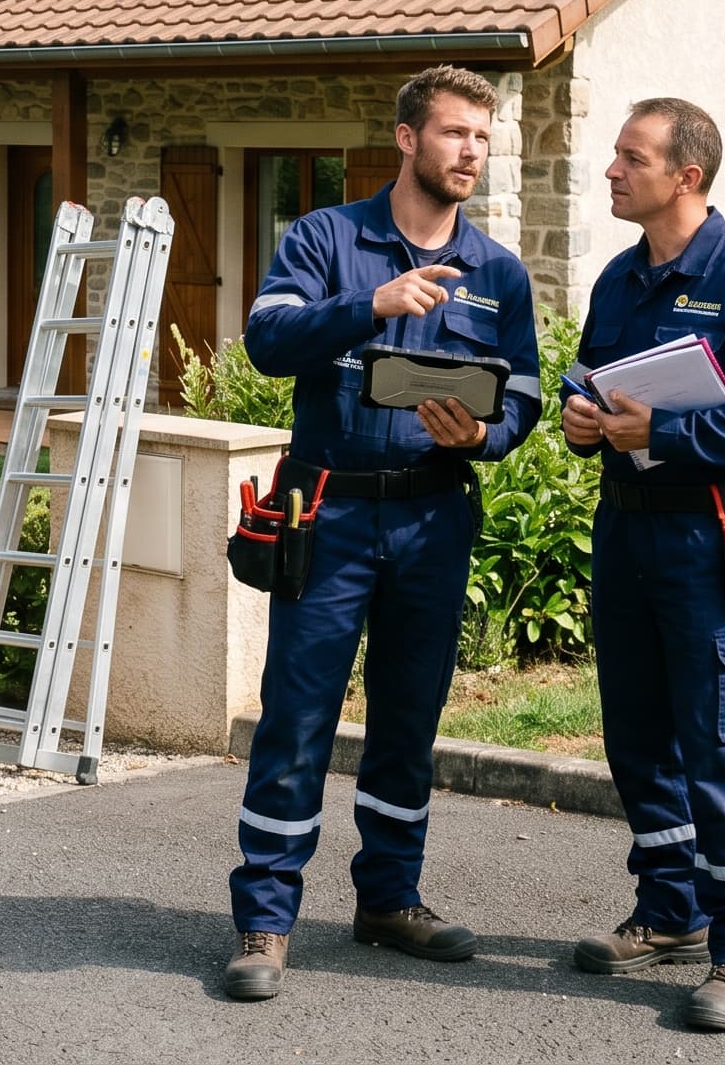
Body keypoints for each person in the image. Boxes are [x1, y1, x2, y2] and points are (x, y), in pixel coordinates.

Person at [221, 64, 543, 1002]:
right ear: (407, 139)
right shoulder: (327, 236)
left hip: (436, 509)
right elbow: (269, 339)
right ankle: (265, 920)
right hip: (331, 508)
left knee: (409, 719)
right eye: (454, 134)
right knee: (297, 717)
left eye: (482, 138)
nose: (470, 153)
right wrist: (373, 304)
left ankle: (389, 900)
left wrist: (484, 433)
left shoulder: (498, 272)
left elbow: (519, 390)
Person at [557, 98, 725, 1032]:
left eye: (630, 157)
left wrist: (662, 428)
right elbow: (586, 386)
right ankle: (673, 913)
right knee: (637, 738)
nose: (613, 171)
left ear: (686, 176)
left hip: (711, 539)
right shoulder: (620, 281)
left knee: (721, 748)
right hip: (624, 532)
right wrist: (583, 419)